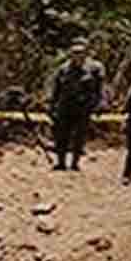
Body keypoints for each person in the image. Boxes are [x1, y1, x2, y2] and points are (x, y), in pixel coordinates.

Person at [48, 38, 104, 172]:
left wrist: (98, 104)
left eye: (80, 52)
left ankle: (75, 163)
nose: (77, 55)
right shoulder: (64, 69)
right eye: (75, 52)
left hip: (84, 107)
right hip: (65, 106)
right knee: (61, 135)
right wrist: (52, 105)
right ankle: (61, 162)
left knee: (79, 136)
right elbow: (56, 88)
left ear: (86, 53)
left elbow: (99, 89)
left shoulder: (95, 68)